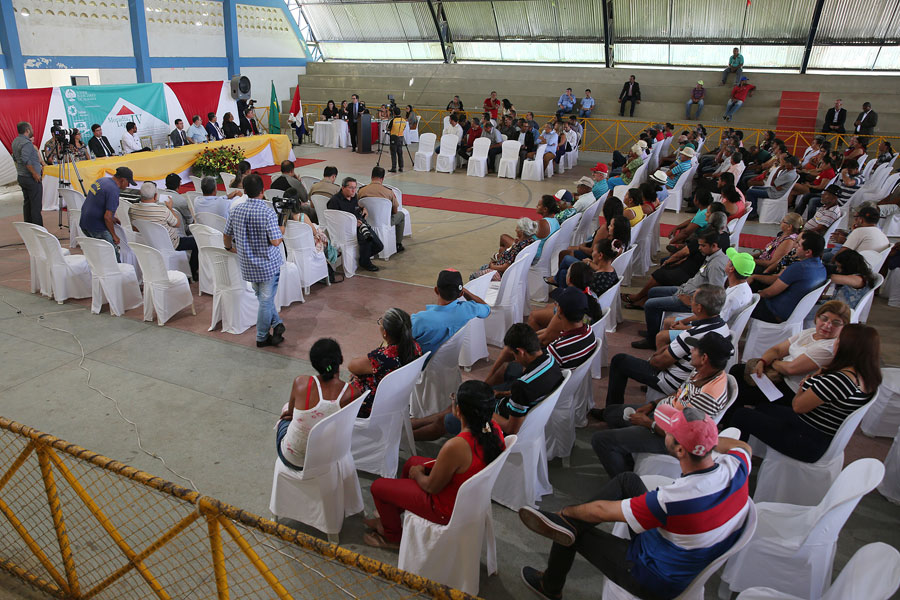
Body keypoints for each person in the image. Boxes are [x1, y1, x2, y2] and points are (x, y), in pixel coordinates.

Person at [520, 405, 752, 600]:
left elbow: (602, 511)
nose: (663, 432)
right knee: (628, 480)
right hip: (684, 551)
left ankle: (550, 585)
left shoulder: (675, 499)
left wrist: (566, 512)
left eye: (668, 431)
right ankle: (562, 527)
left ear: (680, 449)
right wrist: (703, 439)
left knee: (570, 528)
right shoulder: (737, 467)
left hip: (653, 577)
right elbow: (744, 446)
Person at [366, 380, 505, 548]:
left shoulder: (457, 445)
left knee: (378, 487)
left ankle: (392, 537)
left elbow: (432, 487)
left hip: (445, 508)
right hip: (466, 496)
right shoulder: (493, 429)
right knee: (411, 462)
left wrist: (418, 474)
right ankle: (391, 514)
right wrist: (417, 469)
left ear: (458, 410)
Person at [591, 332, 733, 478]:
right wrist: (652, 404)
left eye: (695, 349)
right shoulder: (701, 370)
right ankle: (627, 456)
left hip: (668, 436)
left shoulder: (708, 396)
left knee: (601, 440)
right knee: (611, 413)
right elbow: (679, 393)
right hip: (663, 415)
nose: (691, 351)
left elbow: (683, 437)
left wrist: (648, 423)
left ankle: (627, 482)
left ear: (704, 358)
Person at [732, 324, 880, 463]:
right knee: (763, 407)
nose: (834, 343)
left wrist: (804, 385)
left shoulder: (839, 380)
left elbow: (797, 406)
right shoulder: (867, 376)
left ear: (845, 348)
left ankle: (734, 461)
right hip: (819, 429)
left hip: (808, 440)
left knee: (741, 414)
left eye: (838, 340)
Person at [723, 300, 848, 425]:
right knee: (737, 370)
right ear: (817, 317)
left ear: (844, 326)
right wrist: (763, 361)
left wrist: (772, 362)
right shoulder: (810, 332)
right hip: (778, 376)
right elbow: (777, 350)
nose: (827, 325)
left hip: (790, 390)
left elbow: (791, 369)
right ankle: (729, 421)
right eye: (824, 319)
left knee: (740, 391)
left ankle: (732, 425)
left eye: (836, 323)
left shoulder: (828, 348)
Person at [607, 285, 730, 405]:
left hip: (671, 381)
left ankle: (612, 408)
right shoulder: (722, 326)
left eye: (693, 299)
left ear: (699, 308)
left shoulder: (690, 335)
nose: (690, 301)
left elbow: (658, 363)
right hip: (692, 377)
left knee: (619, 361)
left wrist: (656, 355)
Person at [633, 231, 728, 348]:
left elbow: (714, 293)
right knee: (653, 291)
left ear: (714, 245)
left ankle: (652, 340)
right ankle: (654, 330)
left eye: (703, 245)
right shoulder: (712, 257)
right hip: (685, 290)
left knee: (650, 305)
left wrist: (692, 300)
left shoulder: (716, 265)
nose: (699, 248)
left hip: (690, 300)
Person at [276, 338, 358, 471]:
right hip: (327, 459)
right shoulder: (353, 393)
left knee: (285, 414)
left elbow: (290, 413)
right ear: (341, 359)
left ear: (314, 364)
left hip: (292, 459)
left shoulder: (301, 383)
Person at [223, 173, 285, 347]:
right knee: (265, 301)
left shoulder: (236, 210)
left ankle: (277, 324)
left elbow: (226, 234)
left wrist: (228, 248)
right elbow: (275, 241)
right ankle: (261, 337)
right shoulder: (267, 212)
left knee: (263, 298)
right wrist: (282, 229)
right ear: (262, 191)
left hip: (248, 264)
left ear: (244, 190)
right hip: (267, 264)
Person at [348, 308, 422, 418]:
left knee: (346, 386)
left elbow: (352, 366)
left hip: (373, 406)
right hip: (398, 398)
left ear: (385, 333)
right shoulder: (415, 347)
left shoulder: (382, 357)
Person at [663, 248, 754, 334]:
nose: (726, 262)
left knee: (667, 325)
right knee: (671, 322)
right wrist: (684, 321)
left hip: (713, 334)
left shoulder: (732, 298)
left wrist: (685, 327)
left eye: (729, 261)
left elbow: (714, 325)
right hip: (712, 325)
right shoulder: (743, 288)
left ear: (731, 269)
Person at [750, 230, 827, 323]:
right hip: (795, 314)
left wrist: (751, 298)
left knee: (739, 301)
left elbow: (768, 293)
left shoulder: (799, 267)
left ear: (808, 252)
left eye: (799, 245)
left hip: (774, 312)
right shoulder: (822, 268)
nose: (795, 246)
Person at [129, 181, 199, 282]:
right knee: (197, 242)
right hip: (171, 244)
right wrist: (170, 208)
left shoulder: (132, 209)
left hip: (148, 241)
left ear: (140, 193)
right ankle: (192, 272)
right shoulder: (163, 210)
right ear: (155, 196)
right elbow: (177, 224)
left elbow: (135, 228)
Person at [411, 269, 490, 356]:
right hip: (448, 359)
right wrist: (466, 292)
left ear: (436, 290)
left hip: (422, 361)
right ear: (461, 294)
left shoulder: (420, 319)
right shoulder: (468, 309)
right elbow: (487, 310)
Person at [327, 177, 384, 272]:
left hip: (360, 225)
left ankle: (362, 258)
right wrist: (352, 223)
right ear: (343, 187)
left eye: (355, 187)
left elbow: (358, 207)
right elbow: (334, 221)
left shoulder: (354, 197)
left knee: (379, 246)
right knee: (366, 240)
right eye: (351, 188)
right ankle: (365, 262)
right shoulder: (335, 201)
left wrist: (363, 209)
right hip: (347, 229)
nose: (353, 190)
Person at [79, 166, 135, 260]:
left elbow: (97, 203)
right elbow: (107, 217)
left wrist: (112, 218)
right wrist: (114, 235)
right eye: (128, 182)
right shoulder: (113, 190)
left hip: (84, 222)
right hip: (97, 227)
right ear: (123, 180)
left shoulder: (101, 181)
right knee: (113, 256)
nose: (128, 185)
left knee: (100, 254)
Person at [470, 217, 537, 282]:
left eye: (517, 228)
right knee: (483, 267)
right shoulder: (531, 241)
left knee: (473, 276)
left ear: (521, 232)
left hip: (500, 273)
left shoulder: (518, 247)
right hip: (508, 270)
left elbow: (506, 267)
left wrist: (492, 266)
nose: (515, 230)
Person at [357, 166, 405, 252]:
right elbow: (395, 211)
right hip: (384, 222)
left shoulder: (361, 191)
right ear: (382, 178)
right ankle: (398, 244)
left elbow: (358, 206)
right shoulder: (389, 192)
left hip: (367, 221)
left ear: (371, 177)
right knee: (401, 215)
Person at [11, 122, 44, 226]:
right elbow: (26, 160)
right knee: (36, 205)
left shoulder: (15, 141)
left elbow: (15, 157)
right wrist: (35, 173)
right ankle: (38, 229)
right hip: (30, 178)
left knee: (28, 203)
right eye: (31, 128)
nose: (32, 130)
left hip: (22, 176)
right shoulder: (27, 143)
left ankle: (28, 225)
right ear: (27, 130)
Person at [385, 107, 407, 173]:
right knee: (400, 152)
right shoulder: (403, 120)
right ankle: (401, 167)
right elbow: (404, 127)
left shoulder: (393, 120)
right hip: (401, 137)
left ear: (394, 113)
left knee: (393, 153)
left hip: (394, 137)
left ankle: (394, 168)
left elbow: (388, 129)